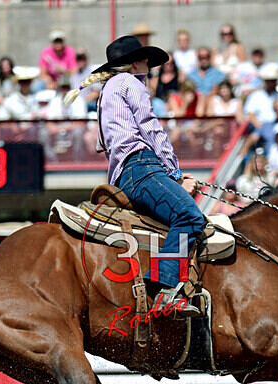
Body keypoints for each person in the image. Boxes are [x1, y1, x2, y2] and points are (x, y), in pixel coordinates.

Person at [64, 35, 204, 316]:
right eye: (146, 60)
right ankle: (167, 292)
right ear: (135, 63)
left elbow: (102, 144)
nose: (149, 65)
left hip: (122, 176)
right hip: (142, 166)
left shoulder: (106, 91)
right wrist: (174, 173)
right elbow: (150, 127)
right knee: (190, 216)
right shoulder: (131, 83)